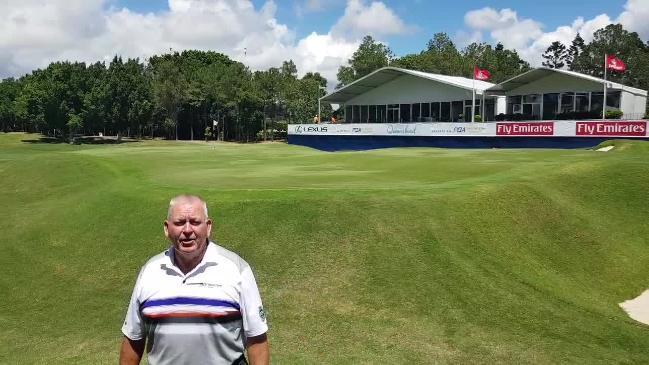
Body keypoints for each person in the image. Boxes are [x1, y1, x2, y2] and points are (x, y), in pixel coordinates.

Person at [119, 195, 270, 365]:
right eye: (179, 222)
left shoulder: (237, 269)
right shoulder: (149, 271)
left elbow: (257, 339)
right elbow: (133, 338)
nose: (187, 229)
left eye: (195, 222)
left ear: (208, 227)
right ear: (167, 228)